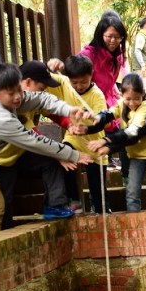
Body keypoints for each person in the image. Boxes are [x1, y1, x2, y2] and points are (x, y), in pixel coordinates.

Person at [0, 63, 93, 246]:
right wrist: (72, 154)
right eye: (11, 94)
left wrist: (68, 110)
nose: (18, 97)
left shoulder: (15, 99)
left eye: (19, 90)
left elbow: (42, 98)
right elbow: (34, 141)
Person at [0, 61, 82, 228]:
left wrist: (69, 124)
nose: (43, 92)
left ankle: (55, 205)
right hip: (1, 161)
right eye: (41, 88)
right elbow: (34, 137)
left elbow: (52, 112)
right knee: (4, 203)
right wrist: (59, 153)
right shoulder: (11, 104)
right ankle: (5, 234)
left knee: (51, 161)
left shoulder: (31, 99)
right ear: (27, 82)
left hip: (20, 154)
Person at [49, 11, 129, 178]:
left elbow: (111, 79)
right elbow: (75, 69)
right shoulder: (89, 53)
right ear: (101, 34)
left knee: (120, 132)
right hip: (86, 103)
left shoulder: (118, 55)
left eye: (118, 37)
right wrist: (61, 66)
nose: (113, 41)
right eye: (109, 36)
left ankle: (124, 175)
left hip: (104, 100)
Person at [50, 55, 111, 214]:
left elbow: (102, 122)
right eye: (74, 82)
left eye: (83, 82)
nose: (79, 86)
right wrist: (52, 64)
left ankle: (101, 209)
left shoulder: (97, 95)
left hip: (95, 145)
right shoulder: (64, 83)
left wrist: (92, 119)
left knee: (97, 188)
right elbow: (41, 76)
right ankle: (74, 199)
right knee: (65, 154)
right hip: (73, 138)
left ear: (91, 74)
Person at [97, 73, 146, 212]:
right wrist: (97, 118)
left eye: (136, 98)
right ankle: (134, 224)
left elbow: (132, 131)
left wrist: (107, 143)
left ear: (143, 95)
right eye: (128, 99)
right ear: (122, 95)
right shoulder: (121, 105)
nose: (132, 103)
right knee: (132, 192)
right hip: (136, 155)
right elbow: (109, 114)